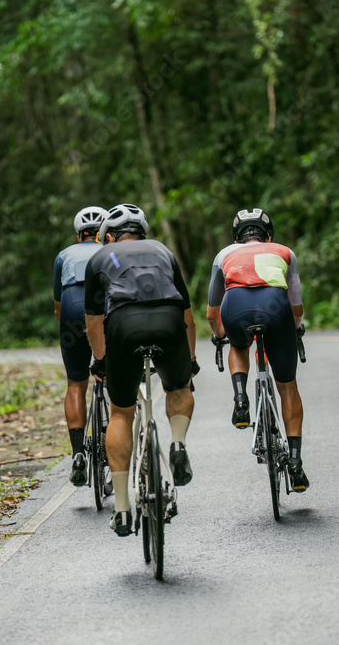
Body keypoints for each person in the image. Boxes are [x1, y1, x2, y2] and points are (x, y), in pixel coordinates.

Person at [83, 203, 198, 536]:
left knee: (120, 413)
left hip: (124, 323)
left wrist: (102, 360)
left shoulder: (100, 258)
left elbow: (93, 324)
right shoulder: (164, 251)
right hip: (168, 320)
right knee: (179, 389)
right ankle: (177, 444)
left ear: (108, 236)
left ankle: (121, 508)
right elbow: (187, 315)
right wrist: (189, 362)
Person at [206, 208, 309, 492]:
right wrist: (295, 327)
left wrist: (219, 336)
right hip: (276, 307)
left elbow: (212, 313)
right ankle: (297, 464)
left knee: (238, 345)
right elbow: (296, 304)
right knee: (287, 386)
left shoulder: (224, 255)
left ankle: (240, 399)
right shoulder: (285, 251)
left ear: (236, 239)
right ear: (269, 236)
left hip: (235, 306)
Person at [52, 206, 106, 486]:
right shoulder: (111, 251)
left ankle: (77, 454)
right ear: (105, 233)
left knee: (75, 383)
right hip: (103, 306)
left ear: (78, 235)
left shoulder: (64, 255)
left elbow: (58, 307)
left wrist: (70, 333)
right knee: (111, 368)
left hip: (72, 310)